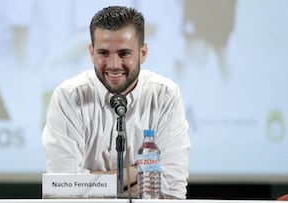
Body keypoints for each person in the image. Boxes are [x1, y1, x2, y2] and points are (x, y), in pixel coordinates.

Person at [42, 6, 190, 199]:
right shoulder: (68, 96)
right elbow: (60, 189)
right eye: (103, 53)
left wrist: (91, 185)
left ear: (143, 52)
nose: (113, 65)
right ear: (91, 52)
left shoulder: (165, 95)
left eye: (124, 54)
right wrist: (136, 174)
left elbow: (172, 190)